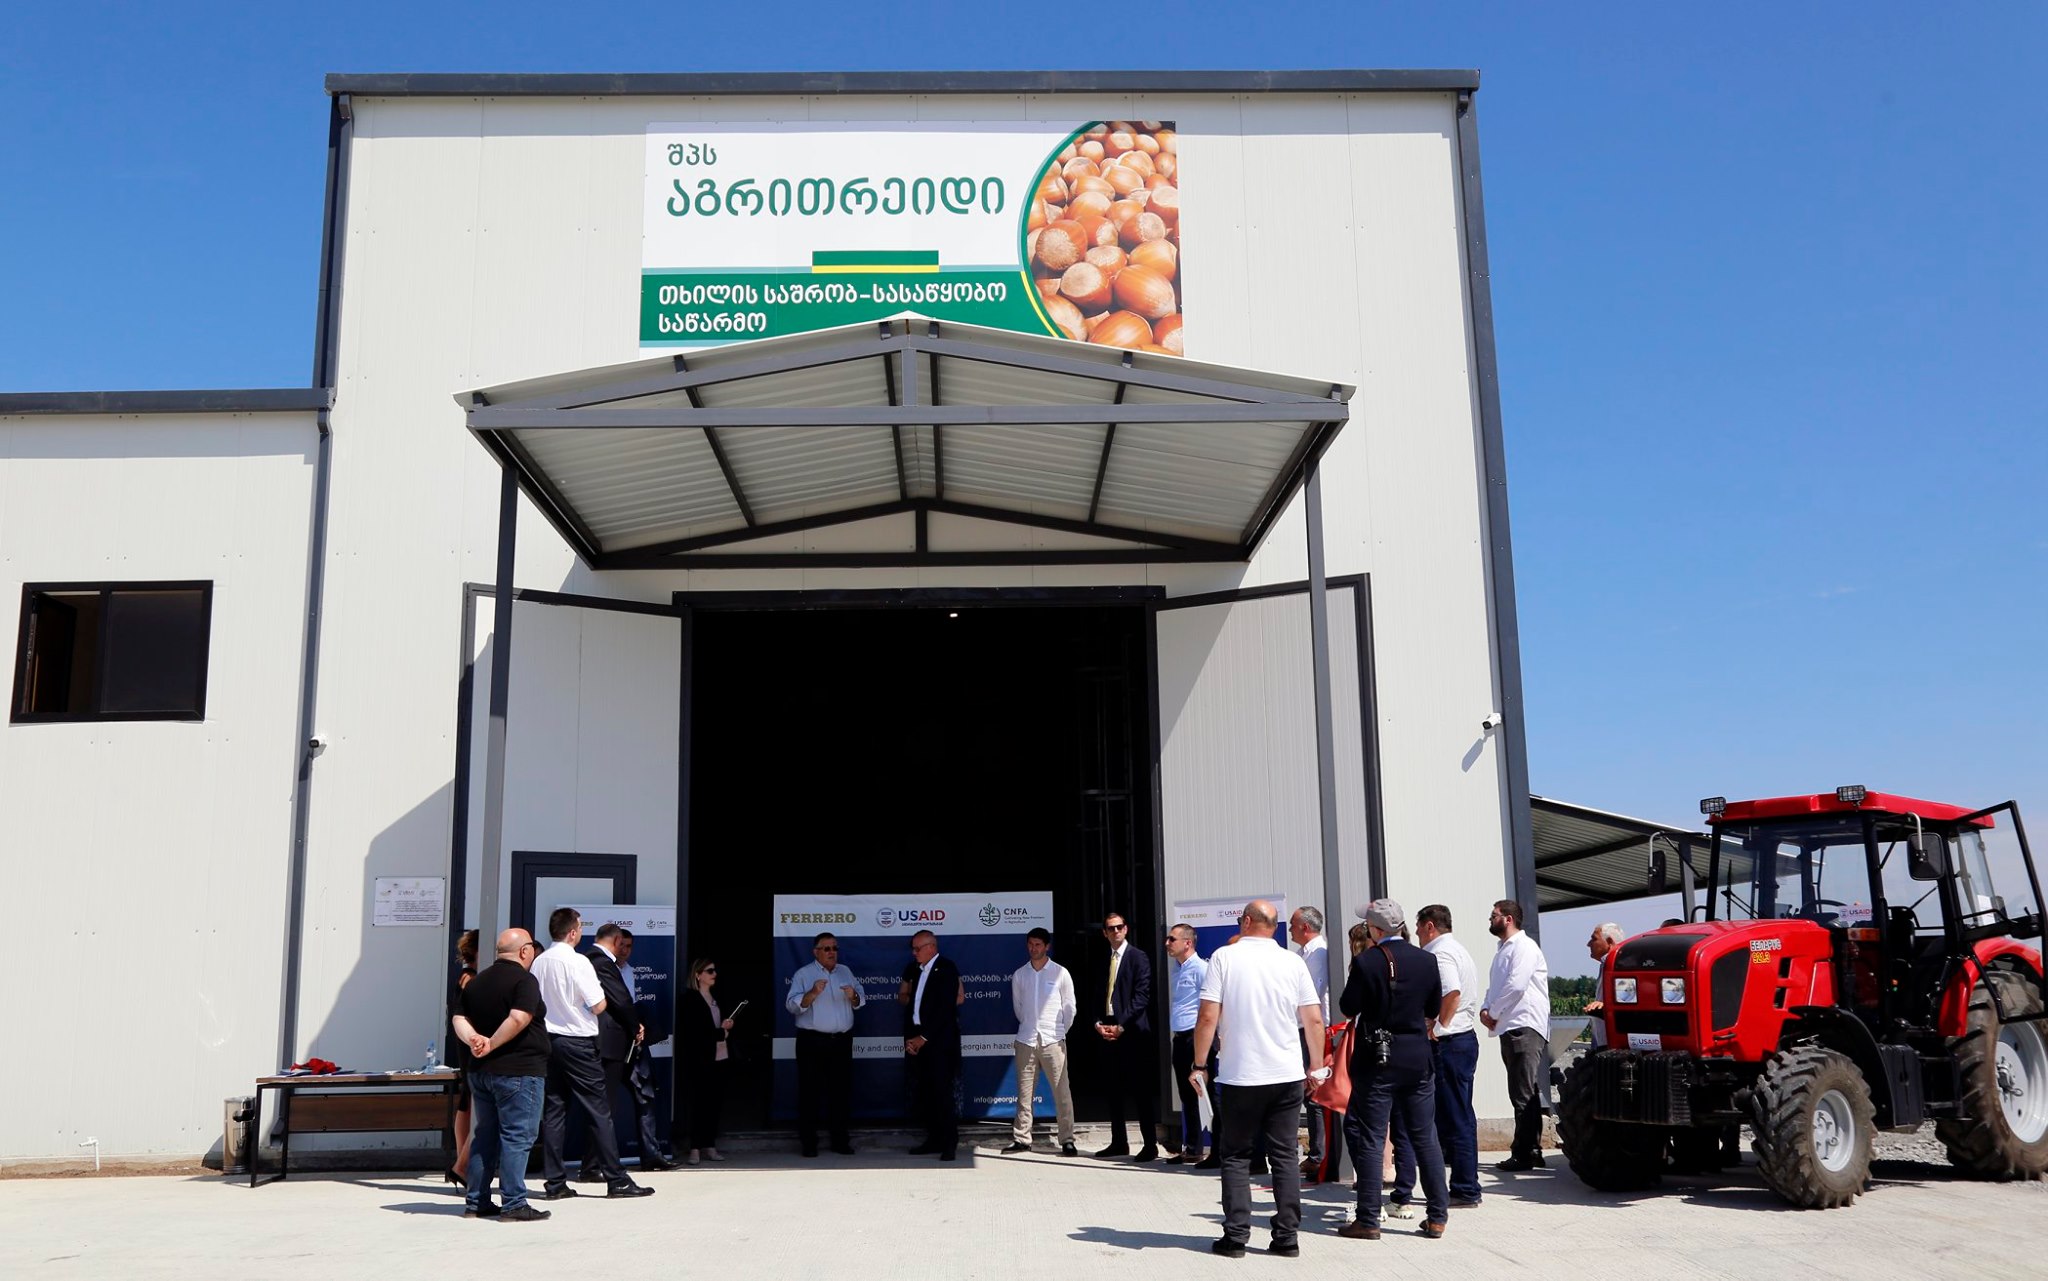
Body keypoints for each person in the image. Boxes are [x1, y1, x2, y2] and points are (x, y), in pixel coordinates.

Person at [1191, 901, 1327, 1259]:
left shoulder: (1224, 958)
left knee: (1236, 1156)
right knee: (1284, 1156)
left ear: (1247, 921)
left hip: (1240, 1075)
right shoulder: (1292, 961)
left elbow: (1207, 1017)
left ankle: (1236, 1237)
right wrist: (1315, 1067)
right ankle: (1287, 1237)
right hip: (1286, 1074)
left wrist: (1200, 1064)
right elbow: (1314, 1019)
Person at [1337, 899, 1449, 1241]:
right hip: (1417, 1056)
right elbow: (1433, 1007)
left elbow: (1347, 1006)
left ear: (1375, 929)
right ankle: (1437, 1216)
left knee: (1372, 1138)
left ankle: (1368, 1219)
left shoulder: (1367, 961)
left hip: (1377, 1057)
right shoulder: (1426, 959)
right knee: (1424, 1136)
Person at [532, 908, 654, 1200]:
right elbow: (599, 1004)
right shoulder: (578, 962)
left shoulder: (539, 962)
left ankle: (555, 1182)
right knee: (600, 1110)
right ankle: (616, 1179)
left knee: (554, 1111)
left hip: (548, 1041)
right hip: (577, 1041)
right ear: (573, 932)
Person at [451, 928, 551, 1222]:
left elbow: (458, 1018)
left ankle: (477, 1201)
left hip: (481, 1072)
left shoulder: (477, 981)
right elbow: (519, 1018)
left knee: (485, 1135)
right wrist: (492, 1043)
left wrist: (474, 1040)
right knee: (517, 1136)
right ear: (524, 951)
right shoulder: (524, 980)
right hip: (519, 1072)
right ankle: (514, 1203)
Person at [1410, 904, 1482, 1209]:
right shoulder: (1457, 949)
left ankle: (1465, 1188)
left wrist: (1438, 1026)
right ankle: (1464, 1184)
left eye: (1418, 927)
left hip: (1451, 1042)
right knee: (1460, 1114)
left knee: (1455, 1118)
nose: (1416, 934)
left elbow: (1451, 992)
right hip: (1461, 1040)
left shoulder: (1440, 954)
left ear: (1429, 926)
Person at [1479, 898, 1551, 1172]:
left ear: (1508, 919)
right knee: (1524, 1090)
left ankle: (1524, 1153)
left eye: (1494, 915)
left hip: (1523, 1024)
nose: (1490, 919)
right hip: (1510, 1025)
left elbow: (1517, 985)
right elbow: (1496, 986)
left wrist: (1493, 1012)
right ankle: (1531, 1150)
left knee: (1522, 1092)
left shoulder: (1523, 947)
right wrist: (1486, 1009)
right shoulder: (1503, 950)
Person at [786, 931, 866, 1157]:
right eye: (827, 948)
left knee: (840, 1093)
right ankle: (809, 1143)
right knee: (809, 1093)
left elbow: (860, 1000)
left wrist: (853, 996)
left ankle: (840, 1141)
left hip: (841, 1041)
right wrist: (812, 993)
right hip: (812, 1041)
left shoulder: (845, 972)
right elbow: (791, 1006)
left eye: (835, 948)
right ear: (816, 952)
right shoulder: (804, 974)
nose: (832, 952)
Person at [1004, 926, 1077, 1156]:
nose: (1033, 948)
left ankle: (1067, 1139)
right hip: (1026, 1039)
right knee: (1024, 1094)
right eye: (1030, 944)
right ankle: (1022, 1138)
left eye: (1038, 944)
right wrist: (1030, 1026)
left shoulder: (1060, 973)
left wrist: (1059, 1032)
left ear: (1047, 946)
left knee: (1061, 1093)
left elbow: (1070, 1008)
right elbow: (1019, 1008)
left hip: (1053, 1041)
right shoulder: (1020, 974)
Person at [1093, 910, 1160, 1162]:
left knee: (1141, 1090)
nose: (1116, 931)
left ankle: (1150, 1145)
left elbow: (1142, 996)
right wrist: (1097, 1023)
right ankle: (1119, 1142)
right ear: (1104, 933)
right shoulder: (1103, 960)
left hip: (1133, 1032)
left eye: (1119, 927)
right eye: (1111, 928)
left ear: (1126, 929)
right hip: (1108, 1029)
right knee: (1113, 1088)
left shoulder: (1137, 957)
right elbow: (1096, 994)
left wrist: (1122, 1026)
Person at [611, 928, 674, 1169]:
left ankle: (650, 1155)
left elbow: (632, 1005)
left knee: (645, 1096)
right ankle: (595, 1164)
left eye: (629, 946)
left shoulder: (630, 971)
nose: (625, 951)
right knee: (604, 1104)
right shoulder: (605, 971)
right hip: (612, 1045)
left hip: (633, 1044)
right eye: (621, 945)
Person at [904, 929, 963, 1160]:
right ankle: (933, 1138)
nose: (914, 953)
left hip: (939, 1042)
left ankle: (949, 1143)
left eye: (917, 948)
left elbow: (945, 1009)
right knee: (926, 1093)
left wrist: (925, 1037)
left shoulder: (946, 968)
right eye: (913, 949)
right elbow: (913, 1006)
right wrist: (911, 1037)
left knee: (942, 1093)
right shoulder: (916, 970)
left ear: (931, 947)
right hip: (919, 1040)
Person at [1288, 907, 1332, 1180]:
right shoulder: (1302, 954)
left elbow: (1311, 996)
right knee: (1308, 1093)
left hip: (1314, 1030)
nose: (1290, 929)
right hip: (1301, 1028)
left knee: (1315, 1093)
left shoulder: (1319, 954)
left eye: (1293, 924)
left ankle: (1319, 1156)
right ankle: (1316, 1154)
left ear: (1305, 927)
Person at [677, 957, 734, 1164]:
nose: (714, 974)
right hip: (700, 1059)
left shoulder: (716, 997)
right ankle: (695, 1147)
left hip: (720, 1055)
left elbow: (718, 1025)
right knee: (699, 1103)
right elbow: (694, 1032)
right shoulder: (690, 999)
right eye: (709, 971)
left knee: (714, 1103)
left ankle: (710, 1145)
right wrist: (720, 1033)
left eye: (714, 970)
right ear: (698, 975)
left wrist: (726, 1027)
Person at [1162, 923, 1209, 1165]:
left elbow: (1211, 1005)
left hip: (1195, 1036)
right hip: (1180, 1036)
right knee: (1186, 1094)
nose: (1167, 943)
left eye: (1172, 939)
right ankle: (1192, 1147)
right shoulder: (1177, 968)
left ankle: (1216, 1149)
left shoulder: (1201, 968)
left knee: (1204, 1092)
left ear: (1187, 943)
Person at [447, 929, 479, 1186]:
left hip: (466, 1042)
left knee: (467, 1101)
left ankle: (461, 1162)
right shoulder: (471, 978)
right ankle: (462, 1164)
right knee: (476, 1103)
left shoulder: (466, 976)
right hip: (474, 1042)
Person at [1583, 922, 1624, 1048]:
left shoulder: (1621, 966)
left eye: (1594, 939)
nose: (1589, 944)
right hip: (1603, 1039)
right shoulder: (1605, 965)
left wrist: (1606, 1006)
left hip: (1612, 1042)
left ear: (1609, 941)